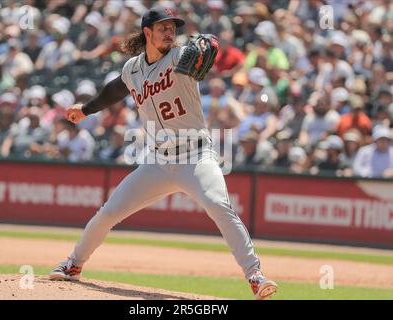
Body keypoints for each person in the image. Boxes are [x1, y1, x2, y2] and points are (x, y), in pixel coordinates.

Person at [49, 7, 278, 300]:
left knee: (220, 207)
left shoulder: (179, 57)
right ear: (147, 32)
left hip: (195, 157)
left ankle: (255, 276)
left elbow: (208, 46)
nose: (170, 32)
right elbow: (115, 90)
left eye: (173, 27)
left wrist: (210, 42)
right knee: (108, 213)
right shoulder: (132, 68)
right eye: (163, 27)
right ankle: (73, 265)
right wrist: (86, 109)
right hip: (157, 162)